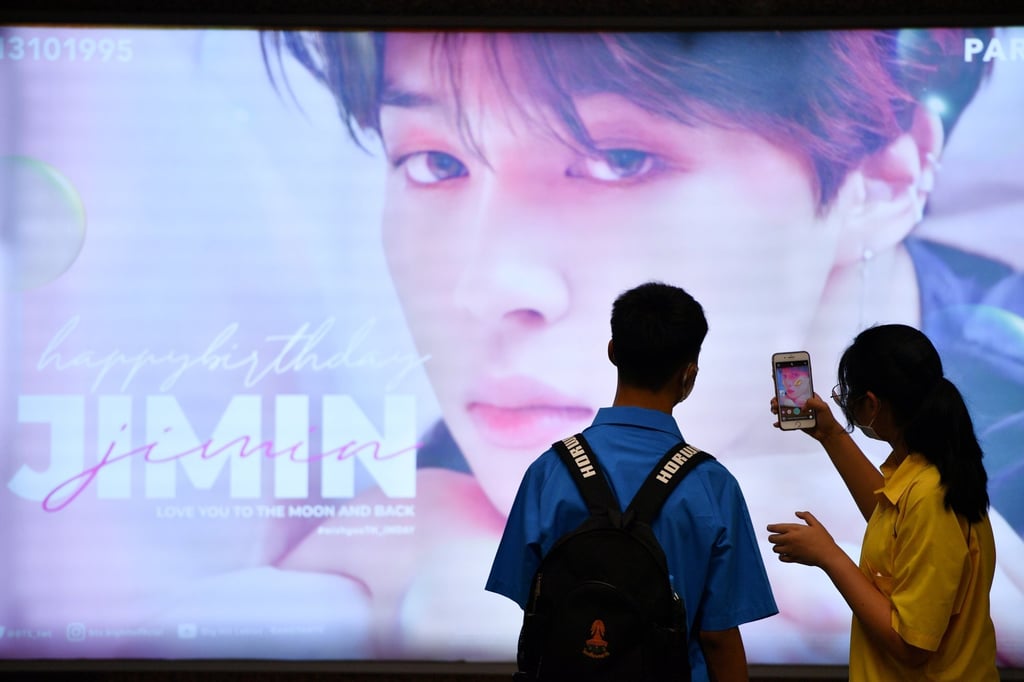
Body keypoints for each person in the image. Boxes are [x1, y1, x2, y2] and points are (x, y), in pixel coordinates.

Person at [268, 28, 1024, 663]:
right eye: (435, 163)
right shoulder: (487, 453)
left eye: (619, 160)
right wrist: (428, 528)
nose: (484, 287)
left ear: (882, 179)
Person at [487, 281, 778, 681]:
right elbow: (717, 637)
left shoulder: (548, 471)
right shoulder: (714, 486)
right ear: (689, 374)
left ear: (612, 352)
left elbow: (535, 605)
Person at [766, 324, 998, 680]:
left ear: (872, 404)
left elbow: (911, 646)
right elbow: (893, 524)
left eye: (847, 395)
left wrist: (829, 556)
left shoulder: (929, 497)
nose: (844, 403)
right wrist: (830, 434)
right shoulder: (927, 473)